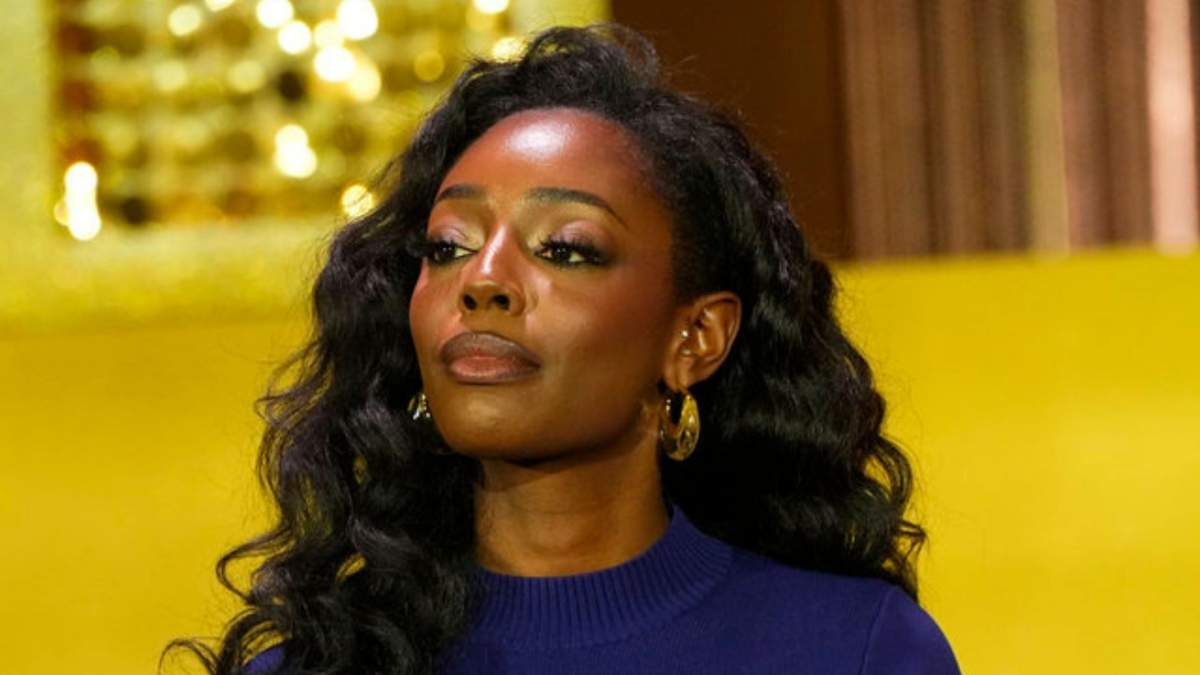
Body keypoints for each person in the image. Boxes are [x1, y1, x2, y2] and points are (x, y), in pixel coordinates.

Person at [164, 23, 960, 675]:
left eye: (566, 248)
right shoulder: (317, 663)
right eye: (447, 246)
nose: (483, 280)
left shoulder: (857, 649)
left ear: (695, 338)